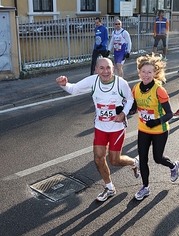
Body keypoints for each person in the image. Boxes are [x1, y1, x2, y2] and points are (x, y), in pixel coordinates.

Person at [56, 58, 139, 202]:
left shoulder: (121, 83)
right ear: (96, 70)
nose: (105, 71)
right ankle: (109, 187)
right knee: (98, 159)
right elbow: (74, 89)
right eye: (101, 68)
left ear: (113, 69)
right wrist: (64, 85)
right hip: (100, 127)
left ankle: (134, 162)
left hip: (117, 128)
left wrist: (123, 114)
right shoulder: (93, 81)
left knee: (115, 160)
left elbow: (130, 99)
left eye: (108, 68)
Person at [132, 53, 179, 201]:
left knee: (158, 158)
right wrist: (121, 110)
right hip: (143, 129)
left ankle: (173, 166)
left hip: (160, 130)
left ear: (155, 73)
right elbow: (133, 109)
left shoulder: (159, 90)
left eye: (149, 72)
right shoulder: (136, 88)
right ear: (139, 72)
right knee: (143, 160)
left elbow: (170, 114)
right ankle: (145, 187)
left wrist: (156, 121)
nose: (146, 75)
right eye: (143, 72)